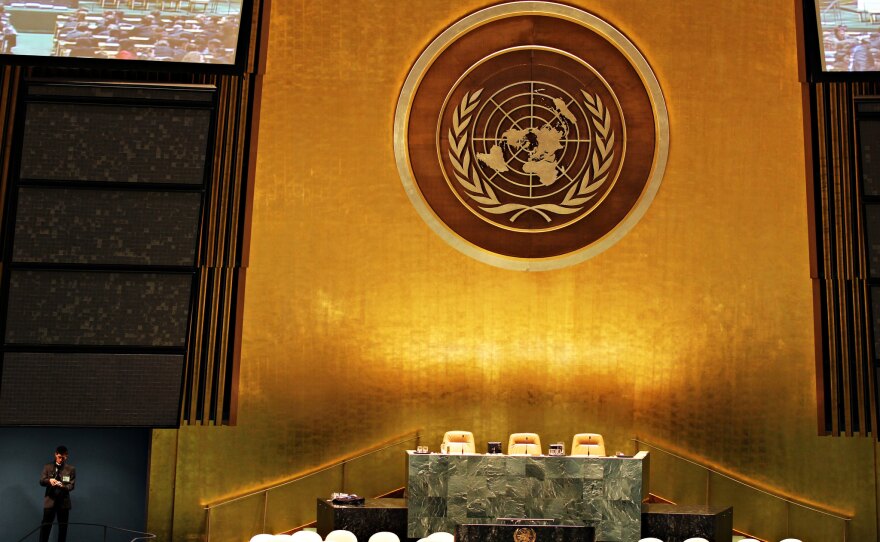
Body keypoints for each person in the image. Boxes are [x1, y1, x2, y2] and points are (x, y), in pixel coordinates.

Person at [39, 445, 76, 542]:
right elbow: (41, 481)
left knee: (63, 530)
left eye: (63, 457)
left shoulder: (71, 469)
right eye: (59, 457)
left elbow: (71, 486)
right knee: (45, 528)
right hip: (50, 502)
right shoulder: (47, 467)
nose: (61, 459)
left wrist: (63, 486)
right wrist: (49, 481)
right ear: (55, 454)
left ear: (66, 456)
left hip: (64, 504)